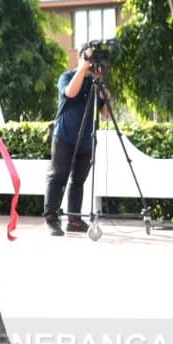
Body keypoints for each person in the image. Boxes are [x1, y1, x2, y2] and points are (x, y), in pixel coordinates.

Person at [43, 45, 109, 236]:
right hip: (65, 136)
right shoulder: (67, 77)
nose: (92, 62)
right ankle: (51, 219)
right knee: (57, 177)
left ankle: (74, 220)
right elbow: (70, 92)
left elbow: (106, 113)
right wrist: (83, 68)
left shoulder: (95, 83)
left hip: (87, 139)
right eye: (89, 58)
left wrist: (103, 87)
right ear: (80, 57)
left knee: (78, 181)